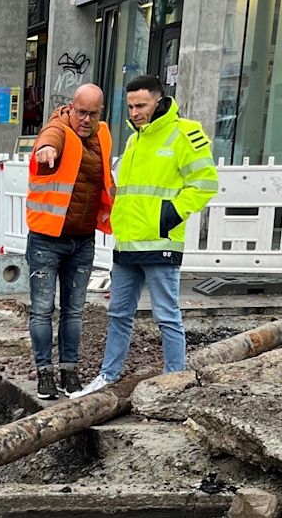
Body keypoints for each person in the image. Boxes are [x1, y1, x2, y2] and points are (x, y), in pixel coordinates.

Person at [72, 75, 219, 398]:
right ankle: (108, 375)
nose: (135, 112)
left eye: (141, 105)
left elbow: (206, 183)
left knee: (166, 315)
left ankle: (175, 381)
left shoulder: (184, 133)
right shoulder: (134, 140)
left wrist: (171, 214)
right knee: (118, 314)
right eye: (130, 106)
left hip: (160, 244)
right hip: (127, 244)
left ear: (158, 100)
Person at [25, 83, 112, 400]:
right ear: (71, 108)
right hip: (47, 239)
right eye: (81, 112)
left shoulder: (103, 135)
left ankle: (69, 371)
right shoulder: (57, 128)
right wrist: (45, 148)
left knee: (73, 312)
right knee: (42, 310)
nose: (85, 119)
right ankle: (44, 374)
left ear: (100, 113)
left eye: (93, 113)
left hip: (82, 239)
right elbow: (51, 138)